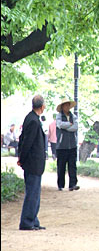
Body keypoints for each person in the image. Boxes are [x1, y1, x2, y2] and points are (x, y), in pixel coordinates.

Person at [17, 95, 47, 230]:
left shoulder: (31, 118)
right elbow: (27, 142)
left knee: (35, 192)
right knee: (32, 192)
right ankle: (27, 221)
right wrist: (21, 159)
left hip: (34, 162)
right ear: (42, 106)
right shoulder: (34, 121)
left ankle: (33, 219)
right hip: (33, 162)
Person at [56, 98, 80, 191]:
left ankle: (73, 184)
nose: (67, 107)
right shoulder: (59, 116)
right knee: (61, 166)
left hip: (72, 145)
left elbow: (75, 127)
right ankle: (60, 185)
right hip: (61, 146)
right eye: (65, 105)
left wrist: (67, 126)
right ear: (62, 106)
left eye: (68, 105)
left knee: (72, 166)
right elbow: (59, 125)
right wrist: (69, 124)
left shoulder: (73, 116)